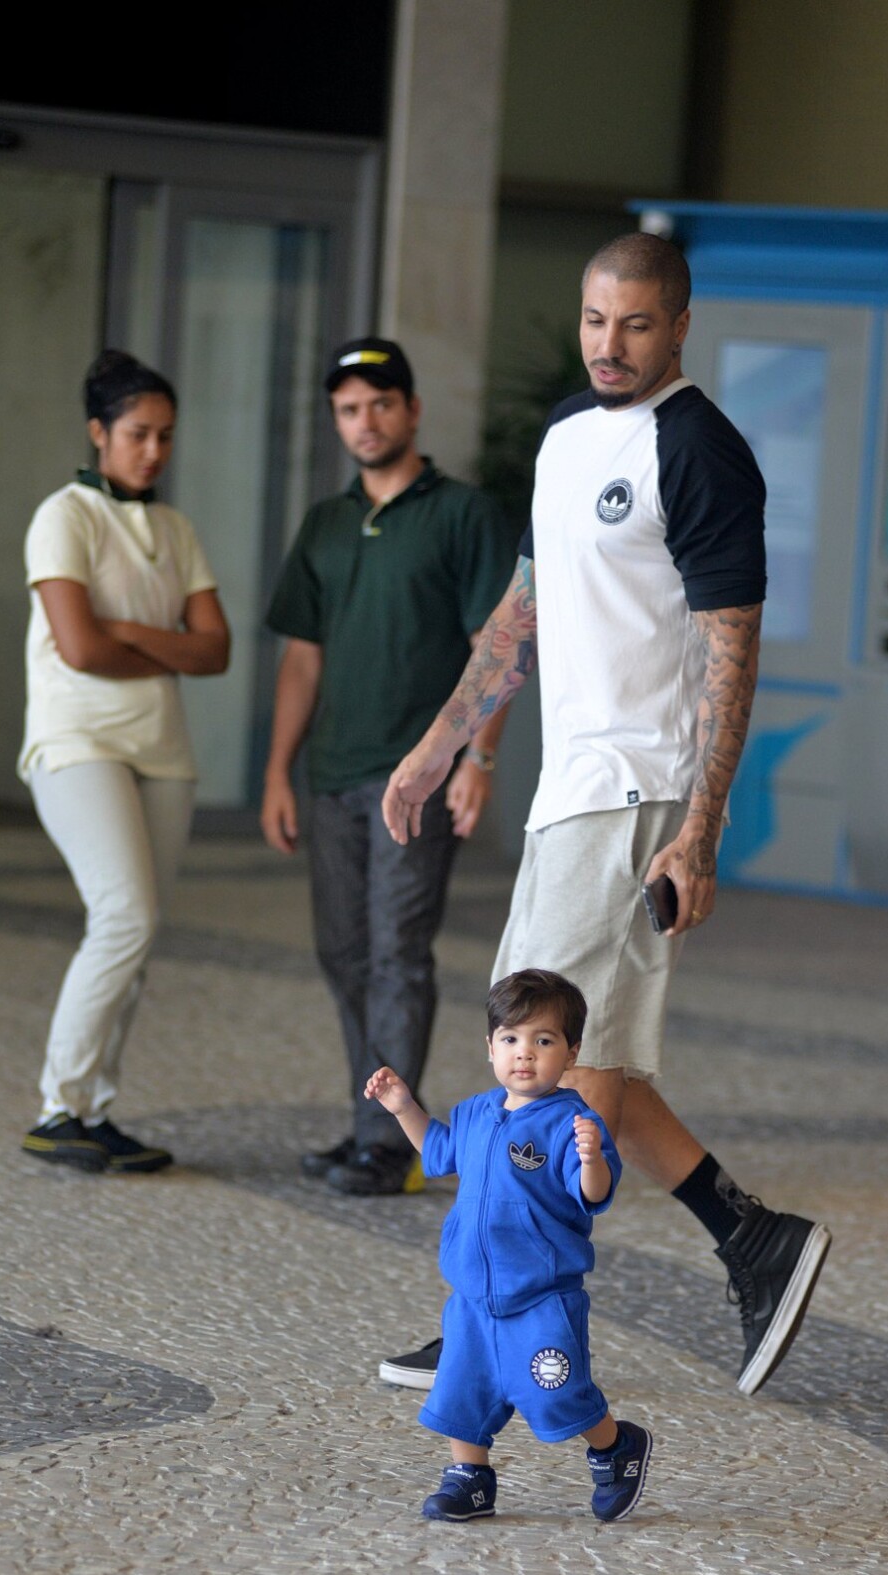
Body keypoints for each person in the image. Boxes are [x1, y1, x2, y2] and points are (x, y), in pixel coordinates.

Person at [379, 233, 831, 1397]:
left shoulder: (701, 450)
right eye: (594, 320)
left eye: (635, 325)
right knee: (596, 1063)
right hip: (571, 791)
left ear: (679, 326)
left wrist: (702, 828)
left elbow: (733, 650)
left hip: (637, 796)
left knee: (539, 1065)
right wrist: (438, 746)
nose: (609, 345)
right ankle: (756, 1239)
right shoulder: (568, 439)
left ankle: (491, 1314)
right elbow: (523, 608)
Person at [261, 338, 517, 1196]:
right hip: (333, 773)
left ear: (410, 410)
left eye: (379, 404)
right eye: (347, 409)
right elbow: (303, 659)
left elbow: (499, 646)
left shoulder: (464, 515)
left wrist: (478, 757)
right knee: (343, 952)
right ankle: (369, 1121)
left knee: (396, 952)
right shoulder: (327, 524)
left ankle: (391, 1140)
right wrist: (276, 773)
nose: (364, 422)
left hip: (418, 776)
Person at [19, 350, 231, 1174]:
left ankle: (98, 1110)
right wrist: (162, 643)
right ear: (98, 432)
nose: (153, 451)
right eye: (138, 434)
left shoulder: (174, 529)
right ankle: (57, 1105)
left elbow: (215, 651)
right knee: (123, 917)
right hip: (77, 745)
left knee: (136, 938)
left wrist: (131, 634)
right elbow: (78, 646)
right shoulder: (63, 516)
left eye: (166, 437)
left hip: (161, 754)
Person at [365, 969, 651, 1523]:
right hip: (472, 1295)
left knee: (555, 1392)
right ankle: (470, 1478)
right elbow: (441, 1152)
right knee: (460, 1393)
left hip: (541, 1296)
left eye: (543, 1041)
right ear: (490, 1047)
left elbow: (594, 1194)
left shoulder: (573, 1122)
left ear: (571, 1053)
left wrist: (591, 1159)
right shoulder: (475, 1112)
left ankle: (614, 1446)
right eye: (511, 1039)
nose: (525, 1054)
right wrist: (404, 1107)